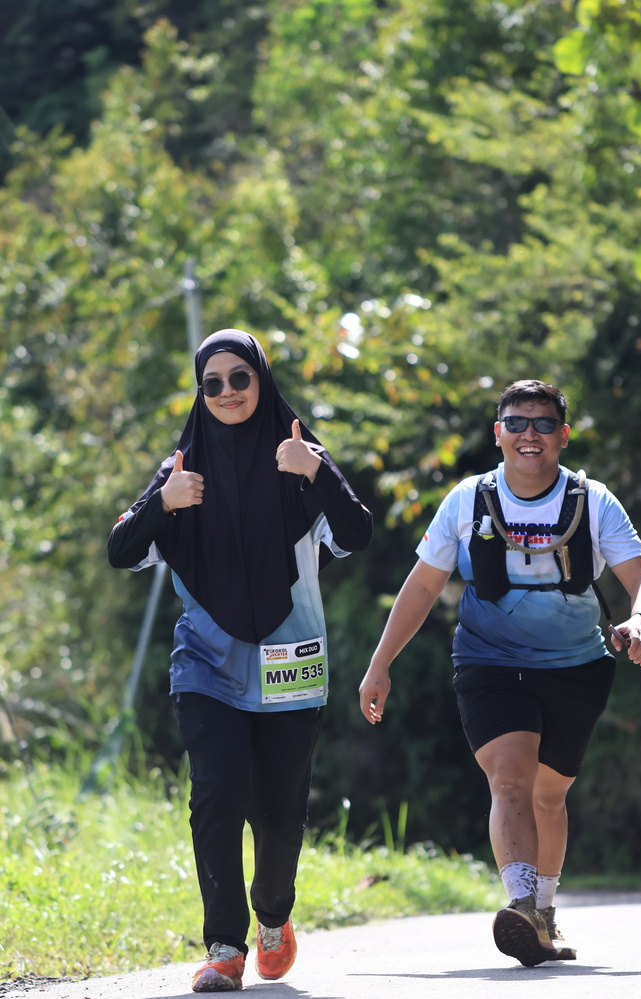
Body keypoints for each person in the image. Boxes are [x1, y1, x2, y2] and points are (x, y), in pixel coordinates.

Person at [359, 379, 641, 968]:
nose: (530, 435)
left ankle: (543, 912)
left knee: (550, 795)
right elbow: (422, 586)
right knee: (509, 779)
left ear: (563, 436)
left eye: (543, 424)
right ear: (498, 433)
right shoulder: (466, 501)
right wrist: (380, 663)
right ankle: (521, 906)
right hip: (488, 660)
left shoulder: (593, 501)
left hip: (577, 666)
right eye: (517, 423)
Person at [108, 329, 372, 992]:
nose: (227, 392)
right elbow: (120, 549)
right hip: (207, 664)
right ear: (200, 392)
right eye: (213, 383)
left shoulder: (298, 457)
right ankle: (224, 946)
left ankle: (273, 917)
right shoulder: (181, 469)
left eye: (240, 378)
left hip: (290, 664)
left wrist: (315, 470)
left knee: (279, 812)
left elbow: (358, 531)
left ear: (261, 379)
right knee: (216, 794)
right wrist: (162, 503)